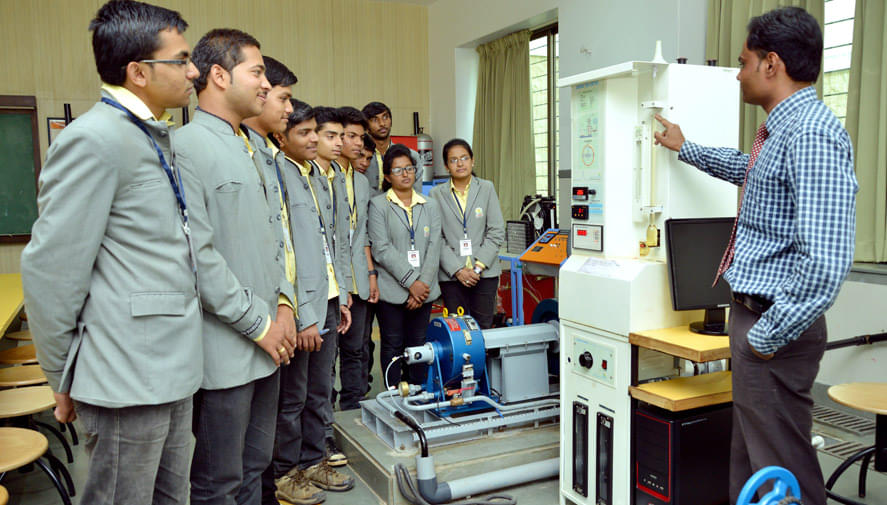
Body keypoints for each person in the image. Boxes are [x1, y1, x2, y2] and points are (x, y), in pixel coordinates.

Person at [653, 7, 857, 505]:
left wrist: (765, 337)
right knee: (753, 465)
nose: (738, 74)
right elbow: (752, 170)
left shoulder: (811, 133)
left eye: (744, 63)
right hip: (756, 319)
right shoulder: (783, 131)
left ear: (772, 63)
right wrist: (686, 148)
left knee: (782, 470)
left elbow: (826, 261)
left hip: (774, 328)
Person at [21, 2, 200, 503]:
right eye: (181, 60)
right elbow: (52, 271)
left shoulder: (151, 134)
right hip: (125, 375)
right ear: (138, 72)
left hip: (171, 366)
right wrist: (61, 375)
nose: (193, 71)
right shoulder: (94, 139)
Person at [176, 28, 296, 505]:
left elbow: (275, 238)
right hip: (225, 351)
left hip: (270, 343)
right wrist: (260, 325)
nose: (266, 84)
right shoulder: (186, 148)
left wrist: (284, 305)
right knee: (218, 481)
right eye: (257, 72)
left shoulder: (255, 149)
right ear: (220, 76)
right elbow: (199, 259)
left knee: (256, 467)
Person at [267, 101, 355, 504]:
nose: (315, 140)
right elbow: (286, 252)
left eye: (315, 132)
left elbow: (331, 242)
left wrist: (343, 295)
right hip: (302, 307)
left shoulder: (318, 177)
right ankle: (287, 471)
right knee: (294, 396)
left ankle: (314, 458)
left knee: (320, 389)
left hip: (329, 298)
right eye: (305, 133)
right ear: (282, 137)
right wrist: (302, 314)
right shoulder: (278, 174)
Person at [368, 145, 442, 388]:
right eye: (398, 170)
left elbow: (434, 246)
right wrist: (412, 282)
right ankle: (393, 395)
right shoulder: (378, 205)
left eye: (409, 168)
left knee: (418, 343)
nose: (405, 174)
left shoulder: (429, 204)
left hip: (424, 290)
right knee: (392, 344)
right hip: (392, 291)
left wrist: (422, 286)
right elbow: (381, 248)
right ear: (388, 176)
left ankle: (417, 392)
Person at [430, 138, 505, 329]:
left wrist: (477, 268)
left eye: (464, 158)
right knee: (457, 330)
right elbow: (436, 238)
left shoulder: (486, 188)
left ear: (473, 161)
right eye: (453, 160)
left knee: (484, 328)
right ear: (446, 166)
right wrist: (458, 270)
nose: (460, 163)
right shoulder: (436, 194)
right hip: (452, 276)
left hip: (485, 273)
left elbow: (496, 230)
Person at [334, 106, 380, 412]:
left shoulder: (361, 182)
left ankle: (353, 408)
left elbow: (361, 233)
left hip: (359, 277)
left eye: (360, 137)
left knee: (357, 349)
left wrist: (371, 275)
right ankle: (324, 416)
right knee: (327, 356)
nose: (356, 143)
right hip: (334, 280)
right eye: (349, 136)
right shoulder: (323, 176)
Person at [361, 101, 423, 196]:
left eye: (385, 117)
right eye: (375, 120)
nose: (382, 123)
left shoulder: (410, 155)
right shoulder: (360, 158)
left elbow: (416, 194)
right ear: (366, 127)